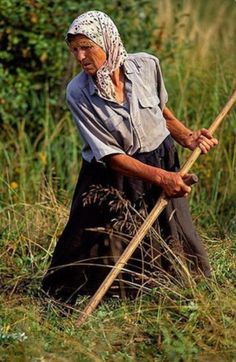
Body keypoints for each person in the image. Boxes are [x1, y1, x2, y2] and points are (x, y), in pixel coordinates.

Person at [42, 11, 218, 304]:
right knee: (95, 242)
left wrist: (187, 136)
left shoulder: (147, 65)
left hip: (161, 159)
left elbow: (161, 111)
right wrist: (163, 178)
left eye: (86, 46)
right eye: (74, 50)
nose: (80, 56)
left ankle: (178, 296)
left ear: (107, 41)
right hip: (112, 174)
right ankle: (70, 299)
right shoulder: (78, 92)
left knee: (173, 231)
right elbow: (111, 156)